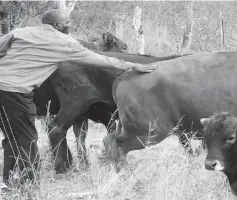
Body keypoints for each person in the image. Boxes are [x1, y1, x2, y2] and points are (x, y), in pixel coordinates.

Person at [0, 9, 157, 187]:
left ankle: (7, 182)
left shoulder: (20, 32)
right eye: (67, 22)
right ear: (57, 25)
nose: (70, 25)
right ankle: (28, 187)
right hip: (16, 92)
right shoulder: (65, 42)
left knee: (11, 137)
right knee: (27, 139)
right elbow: (100, 60)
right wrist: (132, 66)